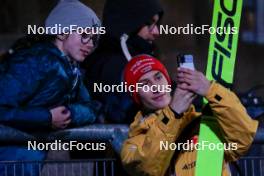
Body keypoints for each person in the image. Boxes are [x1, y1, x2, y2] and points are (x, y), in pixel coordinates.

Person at [0, 0, 101, 175]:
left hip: (25, 163)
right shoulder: (33, 61)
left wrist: (70, 113)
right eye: (85, 35)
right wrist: (47, 117)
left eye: (94, 38)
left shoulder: (73, 70)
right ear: (62, 33)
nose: (90, 44)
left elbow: (92, 107)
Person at [120, 54, 259, 176]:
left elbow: (243, 139)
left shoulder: (205, 122)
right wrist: (173, 113)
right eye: (145, 84)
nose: (156, 87)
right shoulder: (134, 143)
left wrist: (211, 90)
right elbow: (149, 168)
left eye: (158, 77)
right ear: (136, 95)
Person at [82, 0, 163, 124]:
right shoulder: (112, 66)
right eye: (148, 23)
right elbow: (120, 114)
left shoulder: (140, 60)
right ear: (127, 23)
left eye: (157, 24)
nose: (156, 32)